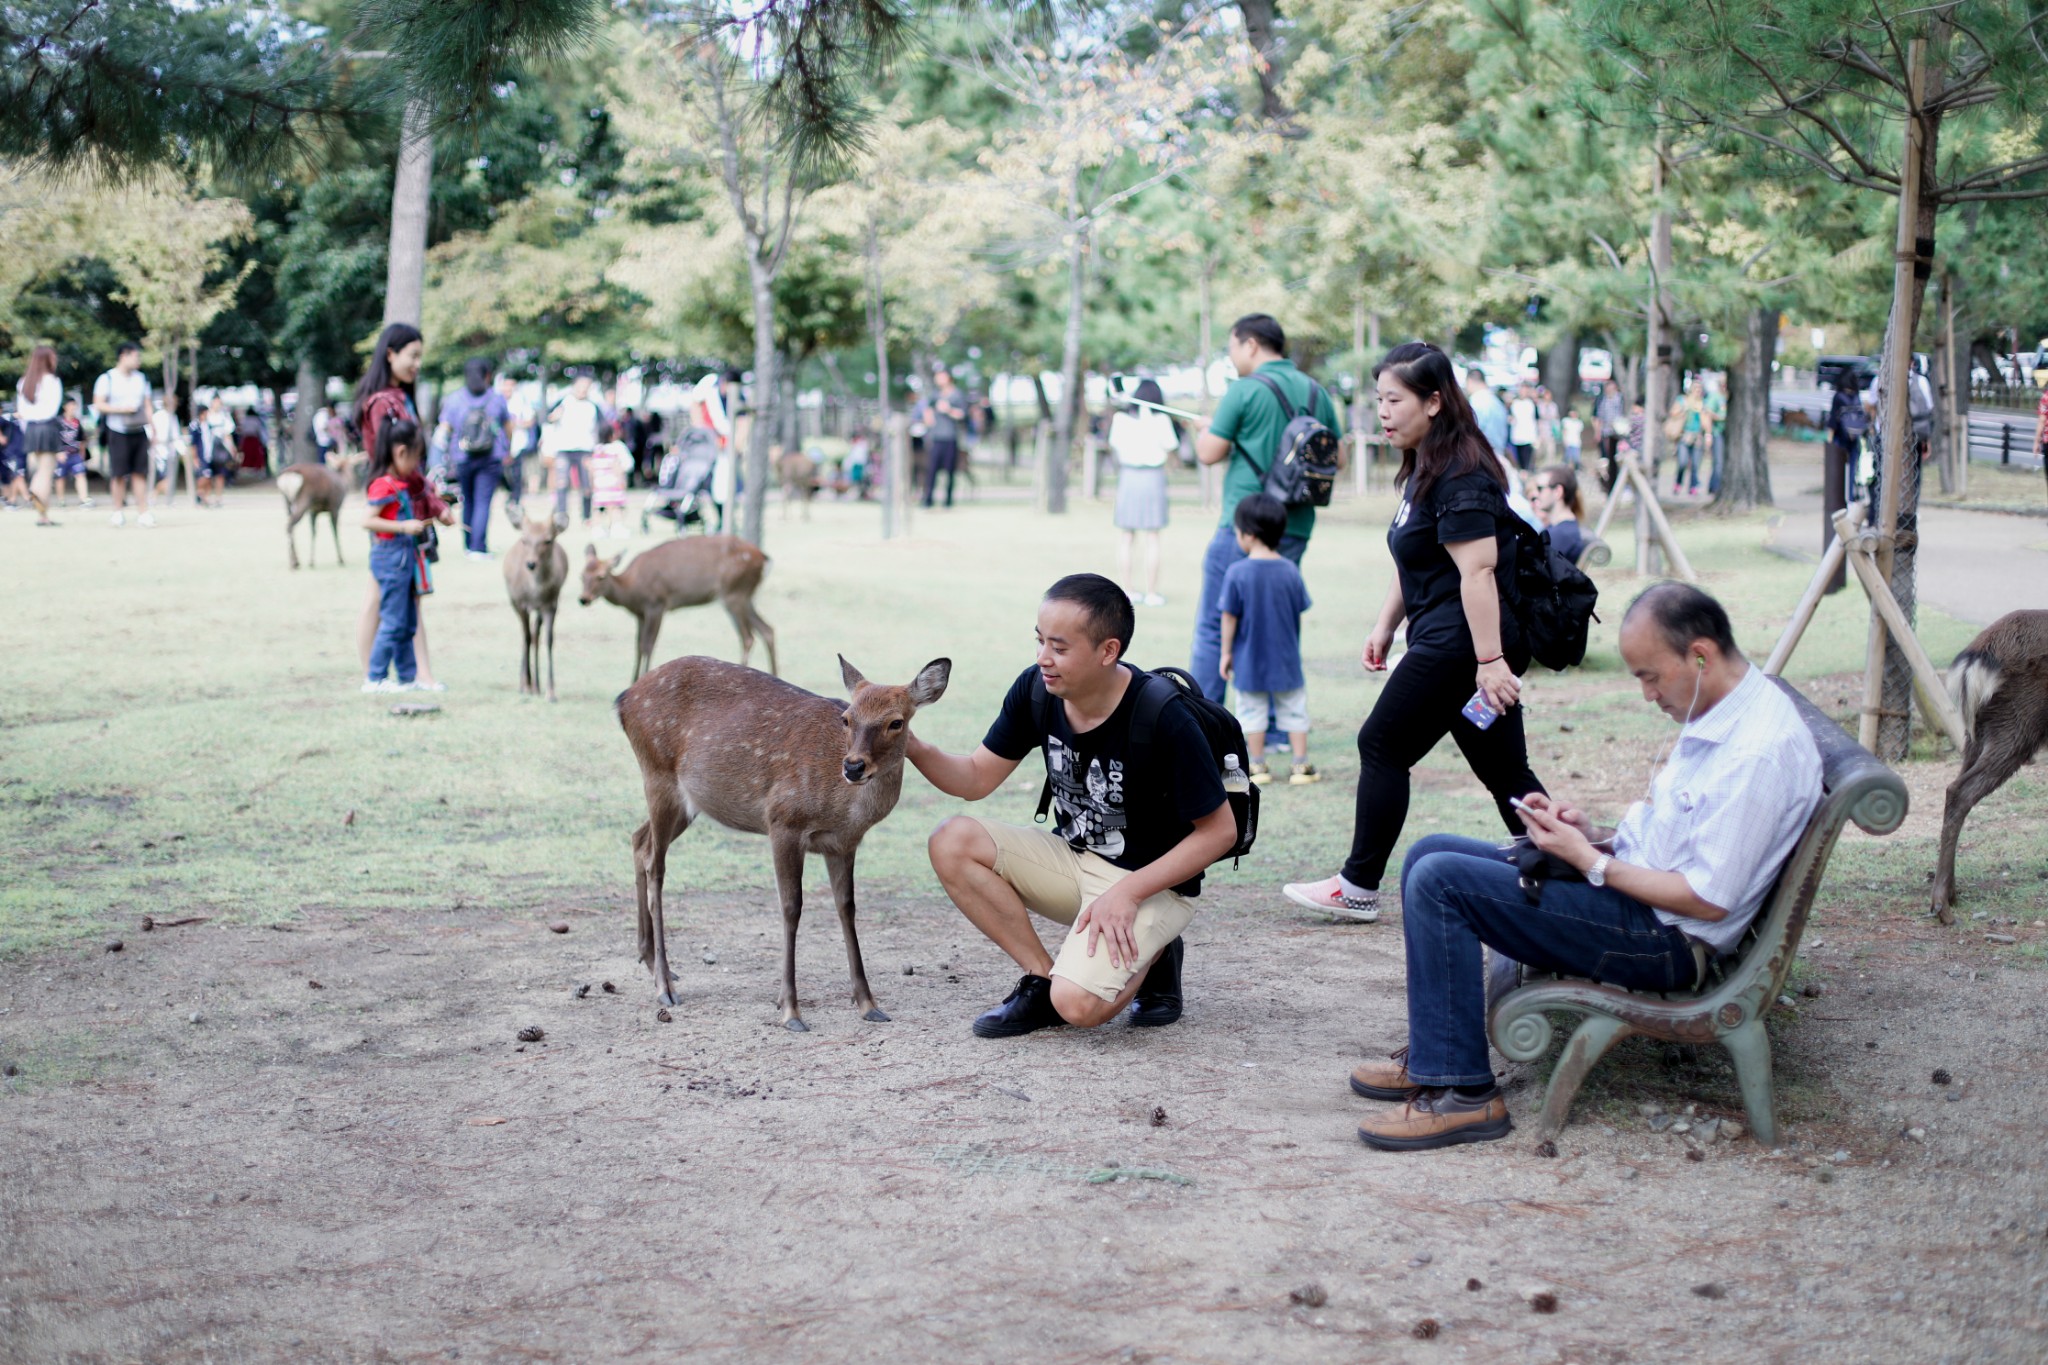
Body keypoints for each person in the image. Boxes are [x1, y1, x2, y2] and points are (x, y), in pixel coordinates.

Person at [1349, 584, 1822, 1151]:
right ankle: (1437, 1056)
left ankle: (1466, 1096)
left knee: (1438, 882)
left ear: (1700, 655)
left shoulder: (1756, 753)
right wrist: (1591, 834)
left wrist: (1591, 863)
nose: (1648, 695)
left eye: (1650, 676)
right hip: (1644, 904)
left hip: (1663, 940)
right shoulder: (1726, 710)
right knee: (1429, 852)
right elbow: (1684, 840)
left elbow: (1706, 899)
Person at [1283, 342, 1545, 922]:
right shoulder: (1425, 468)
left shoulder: (1463, 472)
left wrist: (1490, 660)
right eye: (1378, 398)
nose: (1382, 411)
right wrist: (1384, 625)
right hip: (1449, 638)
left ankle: (1357, 885)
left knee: (1382, 744)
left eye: (1394, 399)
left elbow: (1477, 571)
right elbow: (1417, 561)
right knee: (1506, 770)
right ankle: (1561, 864)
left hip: (1460, 644)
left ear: (1432, 401)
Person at [914, 574, 1234, 1037]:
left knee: (1079, 1007)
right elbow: (976, 778)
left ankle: (1157, 951)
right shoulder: (1036, 690)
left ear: (1108, 651)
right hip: (1075, 860)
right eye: (1040, 641)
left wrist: (1127, 893)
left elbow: (1219, 831)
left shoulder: (1164, 716)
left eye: (1059, 648)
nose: (1043, 658)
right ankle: (1041, 979)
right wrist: (910, 745)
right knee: (952, 841)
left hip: (1153, 884)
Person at [1190, 314, 1343, 704]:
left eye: (1232, 348)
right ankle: (1276, 728)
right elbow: (1338, 458)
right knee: (1276, 624)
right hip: (1294, 526)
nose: (1232, 356)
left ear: (1251, 345)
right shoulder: (1315, 391)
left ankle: (1205, 721)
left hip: (1243, 526)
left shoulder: (1243, 391)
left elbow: (1208, 454)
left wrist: (1205, 431)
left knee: (1215, 622)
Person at [351, 324, 443, 690]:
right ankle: (372, 676)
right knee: (380, 595)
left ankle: (416, 674)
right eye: (413, 356)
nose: (417, 364)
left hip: (409, 505)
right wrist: (428, 502)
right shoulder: (382, 404)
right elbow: (395, 463)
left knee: (407, 594)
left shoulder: (398, 398)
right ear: (390, 353)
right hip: (394, 509)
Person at [1219, 493, 1317, 786]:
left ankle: (1257, 764)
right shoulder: (1289, 570)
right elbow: (1297, 610)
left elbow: (1228, 616)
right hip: (1286, 658)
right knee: (1294, 710)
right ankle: (1300, 764)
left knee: (1251, 711)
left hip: (1250, 660)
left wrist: (1226, 652)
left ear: (1248, 534)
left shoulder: (1237, 572)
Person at [360, 417, 454, 693]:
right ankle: (375, 678)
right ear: (400, 452)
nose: (416, 467)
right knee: (392, 619)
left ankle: (407, 677)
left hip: (406, 560)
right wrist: (402, 526)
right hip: (390, 559)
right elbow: (368, 521)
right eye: (415, 459)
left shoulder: (402, 486)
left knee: (408, 620)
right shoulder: (383, 485)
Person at [436, 356, 511, 559]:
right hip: (490, 458)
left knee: (468, 501)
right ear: (488, 375)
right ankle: (478, 548)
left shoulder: (454, 400)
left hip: (462, 459)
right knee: (482, 502)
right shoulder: (496, 399)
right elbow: (507, 427)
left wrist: (439, 458)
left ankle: (469, 545)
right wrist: (508, 451)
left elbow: (444, 431)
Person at [1109, 378, 1175, 606]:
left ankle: (1130, 590)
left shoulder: (1122, 419)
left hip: (1130, 478)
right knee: (1151, 537)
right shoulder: (1160, 420)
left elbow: (1115, 446)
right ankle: (1151, 593)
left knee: (1128, 537)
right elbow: (1170, 446)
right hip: (1151, 477)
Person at [91, 342, 154, 525]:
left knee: (139, 473)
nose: (138, 360)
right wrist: (121, 409)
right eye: (136, 356)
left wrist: (152, 428)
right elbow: (99, 404)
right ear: (123, 356)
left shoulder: (141, 378)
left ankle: (143, 512)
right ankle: (117, 511)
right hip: (117, 430)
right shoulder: (107, 378)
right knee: (118, 473)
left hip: (139, 430)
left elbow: (147, 405)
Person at [548, 372, 603, 524]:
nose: (583, 390)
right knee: (562, 482)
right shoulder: (563, 401)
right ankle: (561, 515)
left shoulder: (593, 406)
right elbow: (548, 418)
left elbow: (602, 428)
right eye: (581, 386)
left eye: (587, 387)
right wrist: (554, 417)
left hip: (585, 449)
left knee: (586, 484)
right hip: (564, 448)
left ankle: (586, 516)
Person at [16, 345, 63, 525]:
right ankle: (34, 491)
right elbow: (53, 409)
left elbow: (22, 411)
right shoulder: (52, 381)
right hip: (48, 426)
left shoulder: (24, 382)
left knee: (40, 469)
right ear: (46, 359)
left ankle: (43, 516)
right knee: (46, 471)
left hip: (31, 428)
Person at [919, 367, 968, 509]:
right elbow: (927, 409)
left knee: (950, 471)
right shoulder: (935, 395)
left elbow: (962, 415)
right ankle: (928, 500)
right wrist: (928, 419)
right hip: (936, 437)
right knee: (932, 470)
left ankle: (948, 501)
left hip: (950, 437)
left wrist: (948, 410)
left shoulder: (957, 395)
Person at [1533, 464, 1585, 564]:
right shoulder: (1560, 530)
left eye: (1540, 488)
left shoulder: (1560, 535)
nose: (1536, 495)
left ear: (1558, 491)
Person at [1670, 377, 1712, 497]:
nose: (1697, 391)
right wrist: (1685, 409)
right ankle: (1678, 483)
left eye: (1699, 389)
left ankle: (1693, 487)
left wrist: (1708, 435)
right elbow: (1673, 413)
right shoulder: (1683, 400)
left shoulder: (1702, 404)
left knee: (1695, 464)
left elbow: (1707, 423)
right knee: (1682, 462)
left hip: (1697, 436)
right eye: (1695, 388)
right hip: (1684, 436)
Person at [589, 421, 631, 539]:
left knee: (599, 508)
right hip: (613, 484)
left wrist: (592, 483)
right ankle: (616, 527)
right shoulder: (617, 448)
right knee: (615, 507)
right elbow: (622, 466)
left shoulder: (597, 450)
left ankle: (597, 528)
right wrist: (622, 480)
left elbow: (591, 468)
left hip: (599, 485)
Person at [1463, 367, 1511, 463]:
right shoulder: (1497, 402)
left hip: (1482, 458)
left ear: (1470, 381)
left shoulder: (1477, 401)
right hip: (1497, 457)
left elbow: (1471, 432)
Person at [56, 396, 91, 507]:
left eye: (74, 405)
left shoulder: (77, 422)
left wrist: (82, 452)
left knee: (80, 474)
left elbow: (82, 439)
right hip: (61, 454)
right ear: (65, 406)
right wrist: (57, 452)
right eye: (71, 405)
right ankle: (61, 500)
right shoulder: (58, 421)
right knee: (60, 477)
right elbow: (53, 438)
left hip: (75, 454)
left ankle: (84, 499)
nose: (73, 407)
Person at [1593, 379, 1625, 490]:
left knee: (1618, 460)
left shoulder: (1620, 399)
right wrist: (1597, 432)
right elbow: (1597, 417)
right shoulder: (1602, 400)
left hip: (1618, 435)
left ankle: (1619, 483)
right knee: (1605, 460)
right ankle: (1607, 483)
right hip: (1606, 434)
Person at [1508, 382, 1538, 471]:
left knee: (1527, 461)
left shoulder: (1531, 404)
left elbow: (1536, 420)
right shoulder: (1514, 403)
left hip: (1528, 436)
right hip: (1517, 435)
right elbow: (1510, 417)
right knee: (1519, 461)